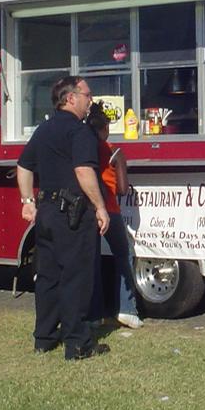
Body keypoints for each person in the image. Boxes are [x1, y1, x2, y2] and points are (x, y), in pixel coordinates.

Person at [16, 75, 111, 361]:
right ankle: (77, 343)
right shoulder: (79, 132)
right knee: (76, 278)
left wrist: (27, 202)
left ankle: (44, 339)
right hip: (73, 213)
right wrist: (100, 207)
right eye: (86, 94)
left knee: (48, 277)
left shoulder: (43, 129)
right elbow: (84, 172)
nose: (90, 100)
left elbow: (23, 166)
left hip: (45, 213)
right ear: (70, 98)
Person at [86, 102, 143, 329]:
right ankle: (126, 309)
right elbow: (122, 189)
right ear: (106, 128)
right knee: (124, 255)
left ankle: (95, 313)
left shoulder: (84, 148)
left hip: (86, 210)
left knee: (91, 262)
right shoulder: (113, 151)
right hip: (109, 208)